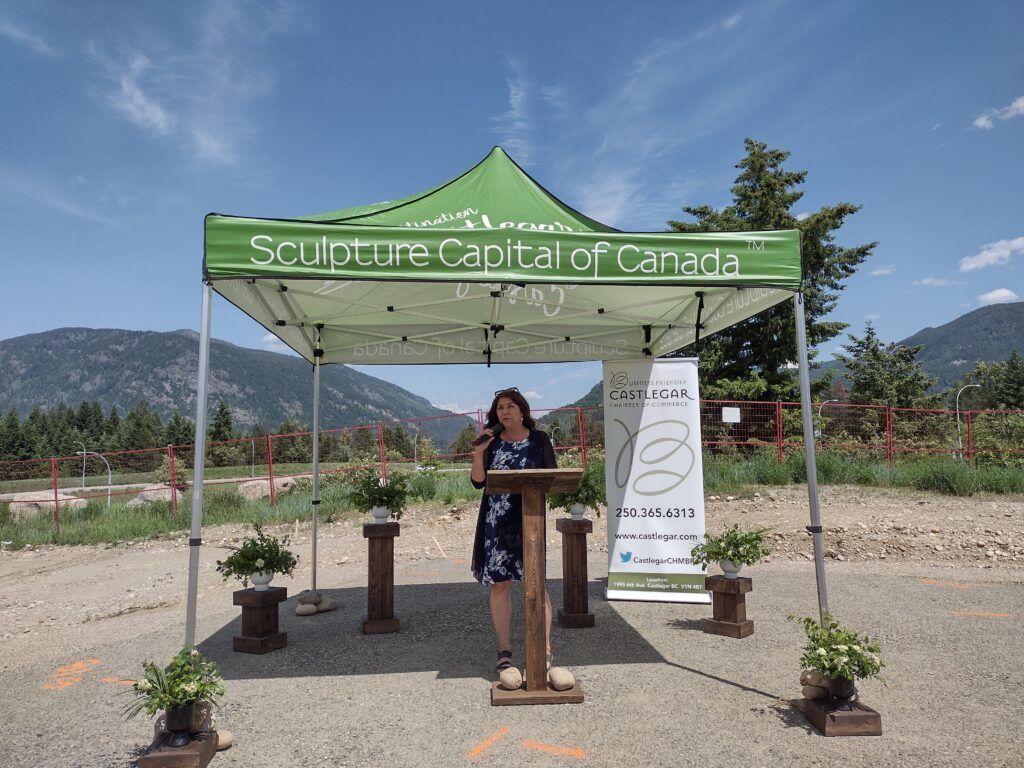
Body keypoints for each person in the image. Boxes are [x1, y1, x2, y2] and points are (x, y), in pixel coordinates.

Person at [470, 387, 557, 677]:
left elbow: (552, 477)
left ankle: (543, 650)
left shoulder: (540, 440)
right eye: (499, 408)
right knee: (500, 585)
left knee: (536, 584)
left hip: (528, 520)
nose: (504, 412)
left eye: (509, 406)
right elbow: (478, 482)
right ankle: (504, 651)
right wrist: (479, 453)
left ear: (522, 410)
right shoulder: (491, 443)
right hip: (497, 523)